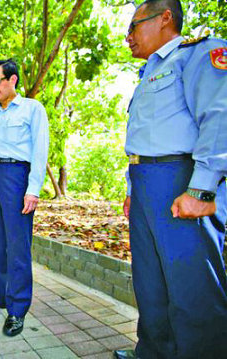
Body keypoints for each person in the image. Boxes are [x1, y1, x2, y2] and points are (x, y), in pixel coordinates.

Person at [115, 1, 227, 358]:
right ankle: (152, 352)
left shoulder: (198, 55)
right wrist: (134, 189)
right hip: (146, 182)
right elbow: (144, 141)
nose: (128, 36)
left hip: (182, 179)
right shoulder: (147, 73)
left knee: (191, 285)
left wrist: (201, 188)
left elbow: (219, 116)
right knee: (150, 282)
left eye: (134, 27)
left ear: (165, 18)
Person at [0, 59, 49, 337]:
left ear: (12, 80)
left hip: (18, 177)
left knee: (17, 245)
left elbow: (40, 150)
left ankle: (17, 309)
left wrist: (33, 188)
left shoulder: (32, 109)